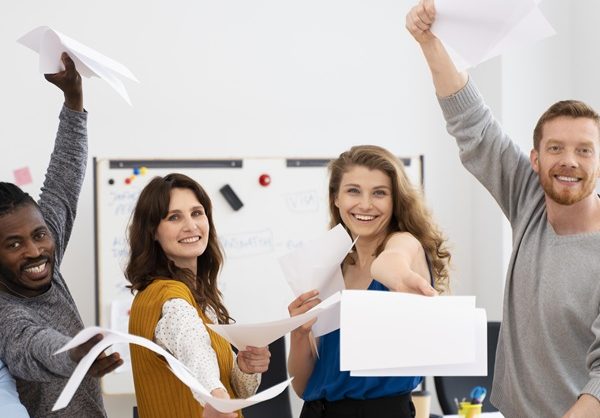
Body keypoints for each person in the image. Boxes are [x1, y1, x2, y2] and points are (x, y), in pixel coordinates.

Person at [406, 2, 600, 417]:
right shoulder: (530, 198)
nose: (569, 161)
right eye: (555, 149)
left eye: (584, 150)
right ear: (535, 160)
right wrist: (430, 43)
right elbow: (471, 121)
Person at [287, 145, 451, 418]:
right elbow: (304, 387)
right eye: (353, 191)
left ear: (395, 201)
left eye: (379, 193)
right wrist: (299, 333)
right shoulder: (331, 267)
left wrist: (396, 275)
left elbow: (392, 260)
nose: (365, 204)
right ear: (336, 198)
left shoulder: (404, 243)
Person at [0, 53, 123, 417]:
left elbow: (64, 178)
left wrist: (74, 101)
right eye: (14, 244)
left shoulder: (44, 249)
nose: (36, 250)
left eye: (39, 234)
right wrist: (74, 352)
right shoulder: (5, 311)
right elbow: (31, 345)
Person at [126, 173, 271, 418]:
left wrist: (244, 369)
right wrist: (216, 395)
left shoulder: (195, 298)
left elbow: (234, 388)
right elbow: (193, 347)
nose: (191, 226)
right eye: (174, 217)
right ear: (153, 231)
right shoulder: (171, 299)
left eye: (196, 213)